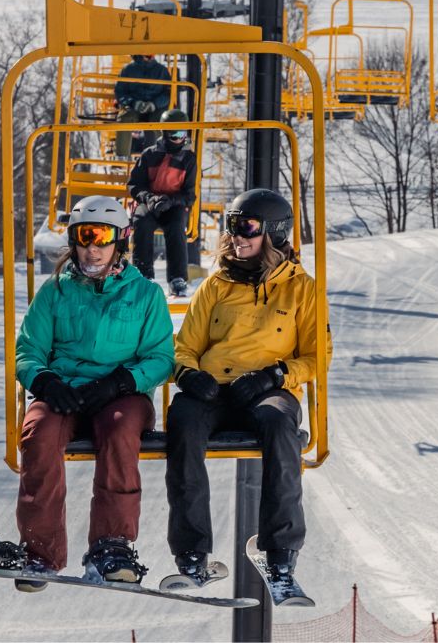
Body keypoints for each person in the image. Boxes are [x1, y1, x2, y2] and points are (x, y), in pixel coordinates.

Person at [164, 188, 331, 586]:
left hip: (267, 389)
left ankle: (280, 551)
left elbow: (317, 356)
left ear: (272, 233)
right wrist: (188, 375)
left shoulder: (301, 289)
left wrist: (274, 376)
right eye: (233, 227)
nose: (237, 236)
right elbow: (184, 346)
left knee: (278, 425)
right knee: (183, 421)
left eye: (247, 227)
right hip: (214, 389)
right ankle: (191, 553)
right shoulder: (216, 285)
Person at [12, 195, 175, 592]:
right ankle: (40, 550)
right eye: (85, 236)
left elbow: (161, 358)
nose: (93, 247)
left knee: (120, 434)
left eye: (103, 236)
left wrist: (121, 382)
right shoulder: (56, 293)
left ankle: (111, 546)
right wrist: (46, 382)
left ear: (121, 240)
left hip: (121, 394)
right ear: (73, 240)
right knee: (39, 434)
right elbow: (28, 350)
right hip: (64, 390)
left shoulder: (145, 295)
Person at [127, 108, 197, 298]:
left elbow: (189, 194)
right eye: (174, 133)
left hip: (173, 204)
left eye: (182, 133)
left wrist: (171, 200)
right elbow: (134, 184)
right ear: (165, 133)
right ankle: (143, 275)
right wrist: (149, 198)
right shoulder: (150, 155)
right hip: (150, 202)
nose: (179, 138)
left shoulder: (188, 159)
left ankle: (177, 278)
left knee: (176, 226)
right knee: (141, 221)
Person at [113, 54, 172, 158]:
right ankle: (121, 156)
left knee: (161, 120)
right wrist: (134, 103)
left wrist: (154, 104)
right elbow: (120, 91)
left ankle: (166, 154)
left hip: (155, 108)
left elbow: (168, 94)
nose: (149, 57)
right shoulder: (128, 70)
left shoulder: (161, 71)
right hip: (134, 107)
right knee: (125, 118)